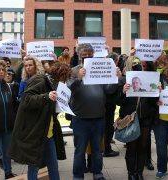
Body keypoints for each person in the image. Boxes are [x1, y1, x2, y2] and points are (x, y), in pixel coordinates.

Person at [67, 43, 121, 180]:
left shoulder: (99, 68)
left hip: (98, 118)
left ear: (93, 56)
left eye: (89, 55)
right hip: (80, 119)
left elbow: (109, 90)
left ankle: (98, 174)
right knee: (80, 151)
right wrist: (78, 78)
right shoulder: (73, 71)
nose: (86, 58)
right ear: (79, 57)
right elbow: (68, 91)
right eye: (83, 56)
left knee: (97, 150)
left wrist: (116, 79)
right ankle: (78, 176)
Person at [8, 61, 69, 180]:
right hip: (36, 132)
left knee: (53, 165)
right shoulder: (40, 80)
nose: (63, 81)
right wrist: (46, 96)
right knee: (34, 166)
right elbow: (26, 99)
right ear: (58, 75)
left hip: (48, 132)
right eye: (63, 78)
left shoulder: (53, 83)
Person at [118, 54, 158, 180]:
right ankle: (131, 173)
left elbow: (154, 101)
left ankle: (139, 173)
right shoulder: (123, 80)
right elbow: (117, 102)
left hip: (145, 117)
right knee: (131, 147)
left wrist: (157, 91)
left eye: (140, 63)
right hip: (130, 118)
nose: (138, 65)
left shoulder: (150, 79)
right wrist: (123, 92)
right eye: (135, 63)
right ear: (130, 63)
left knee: (143, 147)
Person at [103, 52, 120, 157]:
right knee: (108, 127)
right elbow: (109, 89)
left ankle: (105, 146)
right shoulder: (109, 71)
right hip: (107, 104)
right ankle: (107, 149)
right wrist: (117, 78)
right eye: (117, 60)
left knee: (107, 127)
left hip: (107, 104)